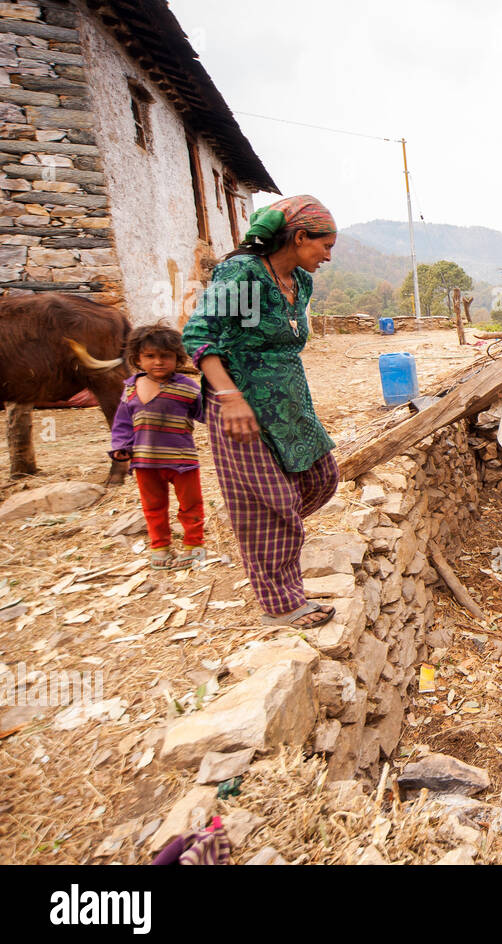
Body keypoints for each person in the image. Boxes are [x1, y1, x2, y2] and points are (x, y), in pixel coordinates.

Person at [182, 195, 339, 628]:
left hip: (289, 401)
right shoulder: (245, 275)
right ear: (300, 236)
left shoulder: (300, 283)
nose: (328, 256)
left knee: (322, 478)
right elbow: (199, 335)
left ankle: (265, 539)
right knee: (269, 505)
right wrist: (229, 398)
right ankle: (281, 603)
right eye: (324, 245)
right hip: (240, 405)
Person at [110, 323, 205, 570]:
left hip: (183, 461)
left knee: (191, 505)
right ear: (137, 359)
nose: (158, 362)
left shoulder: (187, 387)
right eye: (150, 356)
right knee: (153, 507)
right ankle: (160, 546)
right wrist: (120, 445)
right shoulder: (130, 388)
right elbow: (122, 422)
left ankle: (193, 544)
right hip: (145, 462)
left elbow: (206, 414)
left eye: (166, 356)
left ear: (178, 358)